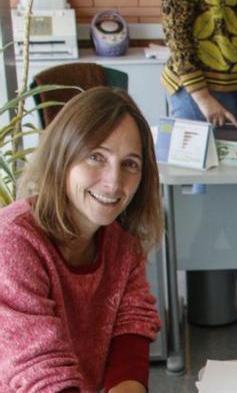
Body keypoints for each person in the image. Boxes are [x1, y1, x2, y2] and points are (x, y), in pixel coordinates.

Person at [0, 88, 163, 393]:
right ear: (63, 157)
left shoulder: (122, 246)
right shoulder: (13, 240)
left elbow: (131, 328)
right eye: (96, 157)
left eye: (130, 164)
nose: (114, 182)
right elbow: (37, 366)